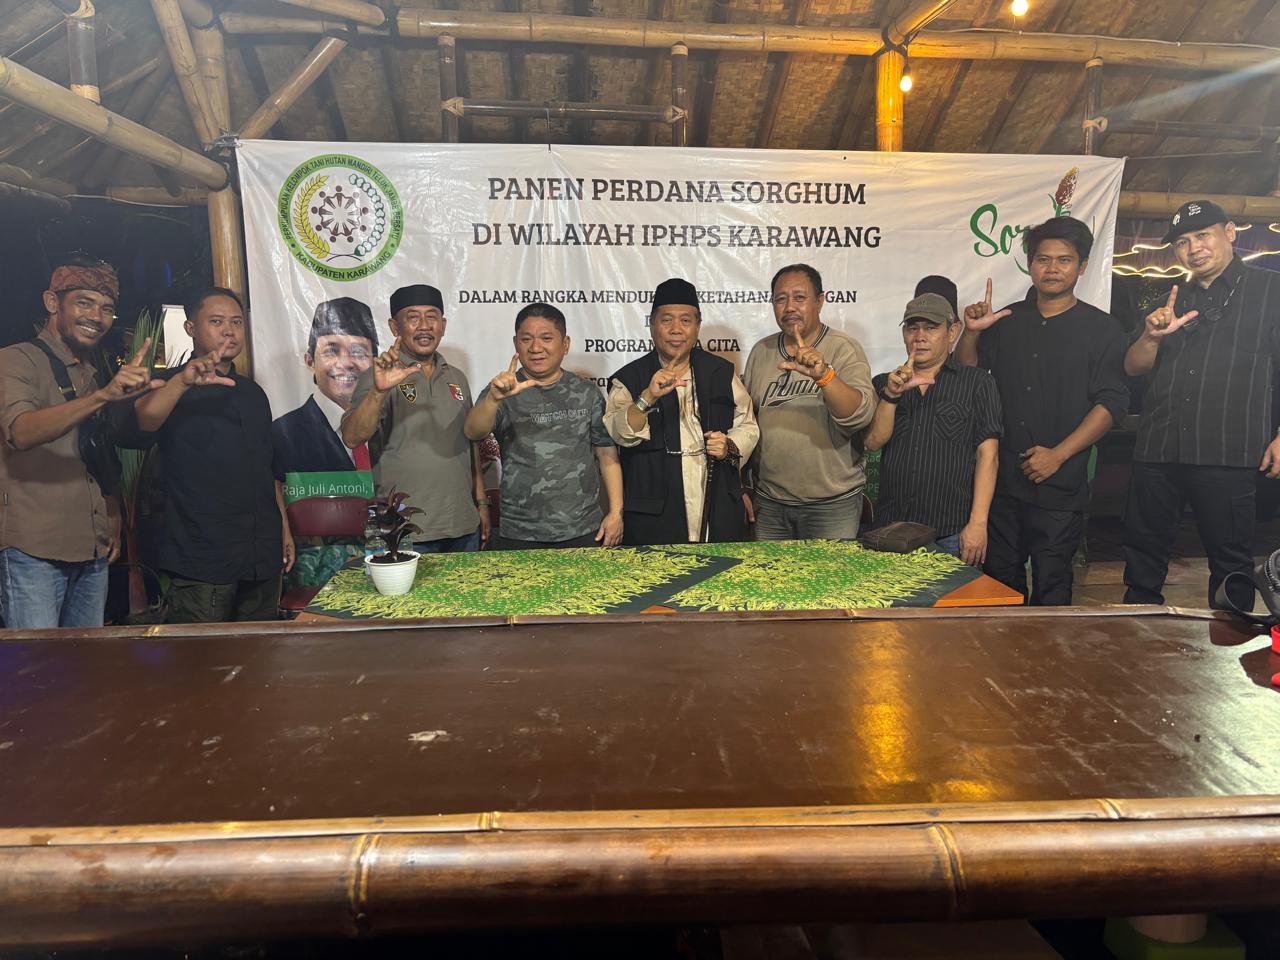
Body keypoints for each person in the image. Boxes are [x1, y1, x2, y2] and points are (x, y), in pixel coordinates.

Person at [956, 216, 1127, 605]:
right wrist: (972, 332)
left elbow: (1110, 404)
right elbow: (968, 374)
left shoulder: (1103, 329)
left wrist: (1059, 455)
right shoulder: (1006, 321)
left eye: (1064, 260)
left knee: (1052, 586)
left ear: (1082, 266)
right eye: (1043, 259)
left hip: (1060, 485)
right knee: (999, 587)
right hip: (1002, 484)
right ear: (1030, 264)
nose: (1052, 268)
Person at [1122, 200, 1280, 611]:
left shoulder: (1271, 290)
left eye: (1202, 235)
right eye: (1182, 242)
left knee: (1230, 563)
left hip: (1226, 450)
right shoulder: (1168, 300)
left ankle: (1230, 646)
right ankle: (1135, 637)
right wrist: (1151, 336)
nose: (1193, 248)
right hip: (1158, 449)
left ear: (1230, 232)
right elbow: (1133, 367)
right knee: (1142, 557)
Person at [0, 260, 155, 628]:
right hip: (32, 551)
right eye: (84, 302)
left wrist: (111, 511)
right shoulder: (16, 359)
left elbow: (95, 449)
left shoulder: (90, 372)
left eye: (106, 308)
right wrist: (104, 396)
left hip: (92, 549)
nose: (96, 317)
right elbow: (20, 431)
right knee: (38, 661)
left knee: (85, 660)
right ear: (52, 302)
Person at [129, 287, 293, 623]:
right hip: (202, 559)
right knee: (202, 654)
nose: (229, 331)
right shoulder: (168, 384)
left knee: (262, 651)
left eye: (236, 322)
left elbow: (268, 471)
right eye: (216, 322)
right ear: (191, 328)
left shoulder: (253, 394)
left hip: (261, 555)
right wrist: (183, 382)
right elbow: (144, 422)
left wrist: (283, 530)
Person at [604, 278, 758, 544]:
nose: (676, 329)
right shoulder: (629, 378)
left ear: (697, 326)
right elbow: (619, 433)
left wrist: (729, 445)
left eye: (685, 321)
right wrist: (647, 397)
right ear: (652, 325)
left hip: (717, 506)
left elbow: (748, 424)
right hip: (653, 516)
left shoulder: (721, 372)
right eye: (666, 320)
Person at [340, 284, 490, 552]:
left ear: (443, 326)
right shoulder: (379, 376)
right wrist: (379, 391)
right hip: (401, 531)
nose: (424, 326)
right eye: (412, 317)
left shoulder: (457, 378)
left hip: (462, 525)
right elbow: (352, 437)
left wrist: (481, 503)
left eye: (432, 317)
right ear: (394, 327)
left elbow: (471, 446)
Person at [464, 302, 623, 550]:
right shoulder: (503, 390)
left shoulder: (587, 392)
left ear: (565, 344)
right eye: (526, 339)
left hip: (583, 528)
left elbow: (606, 453)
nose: (536, 348)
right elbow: (473, 432)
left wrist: (616, 512)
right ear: (516, 343)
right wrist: (494, 399)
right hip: (520, 531)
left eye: (546, 338)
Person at [864, 293, 1001, 564]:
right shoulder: (883, 383)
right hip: (890, 529)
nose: (920, 336)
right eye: (912, 328)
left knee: (951, 595)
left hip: (950, 531)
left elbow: (989, 456)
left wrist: (978, 523)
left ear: (952, 332)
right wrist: (892, 395)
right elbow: (873, 442)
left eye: (930, 328)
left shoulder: (976, 383)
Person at [742, 263, 876, 540]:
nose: (790, 306)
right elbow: (746, 423)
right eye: (781, 299)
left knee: (830, 571)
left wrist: (825, 376)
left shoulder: (842, 348)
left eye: (800, 298)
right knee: (770, 570)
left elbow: (859, 416)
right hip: (770, 503)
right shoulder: (761, 351)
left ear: (820, 301)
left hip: (831, 505)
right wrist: (743, 486)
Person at [272, 297, 377, 475]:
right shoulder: (283, 434)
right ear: (310, 361)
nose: (345, 363)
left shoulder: (392, 428)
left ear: (375, 363)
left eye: (359, 352)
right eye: (331, 351)